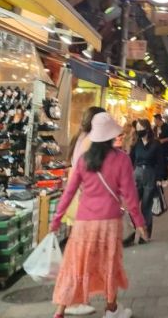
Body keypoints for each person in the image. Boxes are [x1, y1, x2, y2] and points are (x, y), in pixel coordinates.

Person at [51, 112, 147, 318]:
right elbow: (130, 195)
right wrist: (139, 222)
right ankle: (111, 308)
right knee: (108, 263)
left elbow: (69, 192)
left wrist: (56, 219)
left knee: (76, 262)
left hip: (84, 222)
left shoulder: (84, 160)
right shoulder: (121, 159)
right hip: (110, 222)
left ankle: (60, 310)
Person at [60, 106, 106, 316]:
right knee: (83, 255)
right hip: (85, 205)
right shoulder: (89, 142)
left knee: (84, 255)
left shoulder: (80, 139)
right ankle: (73, 301)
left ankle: (77, 299)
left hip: (79, 204)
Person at [128, 119, 159, 238]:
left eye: (141, 128)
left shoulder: (155, 143)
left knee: (146, 205)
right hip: (137, 174)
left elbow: (160, 161)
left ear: (147, 128)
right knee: (133, 204)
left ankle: (145, 234)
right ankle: (134, 229)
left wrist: (161, 177)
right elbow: (130, 160)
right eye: (138, 128)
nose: (139, 130)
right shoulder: (136, 144)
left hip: (150, 174)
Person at [153, 114, 168, 186]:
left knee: (165, 163)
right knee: (158, 163)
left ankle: (165, 179)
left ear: (159, 120)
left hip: (165, 148)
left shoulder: (166, 127)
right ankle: (159, 178)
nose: (154, 122)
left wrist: (163, 140)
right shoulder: (155, 128)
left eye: (155, 120)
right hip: (157, 148)